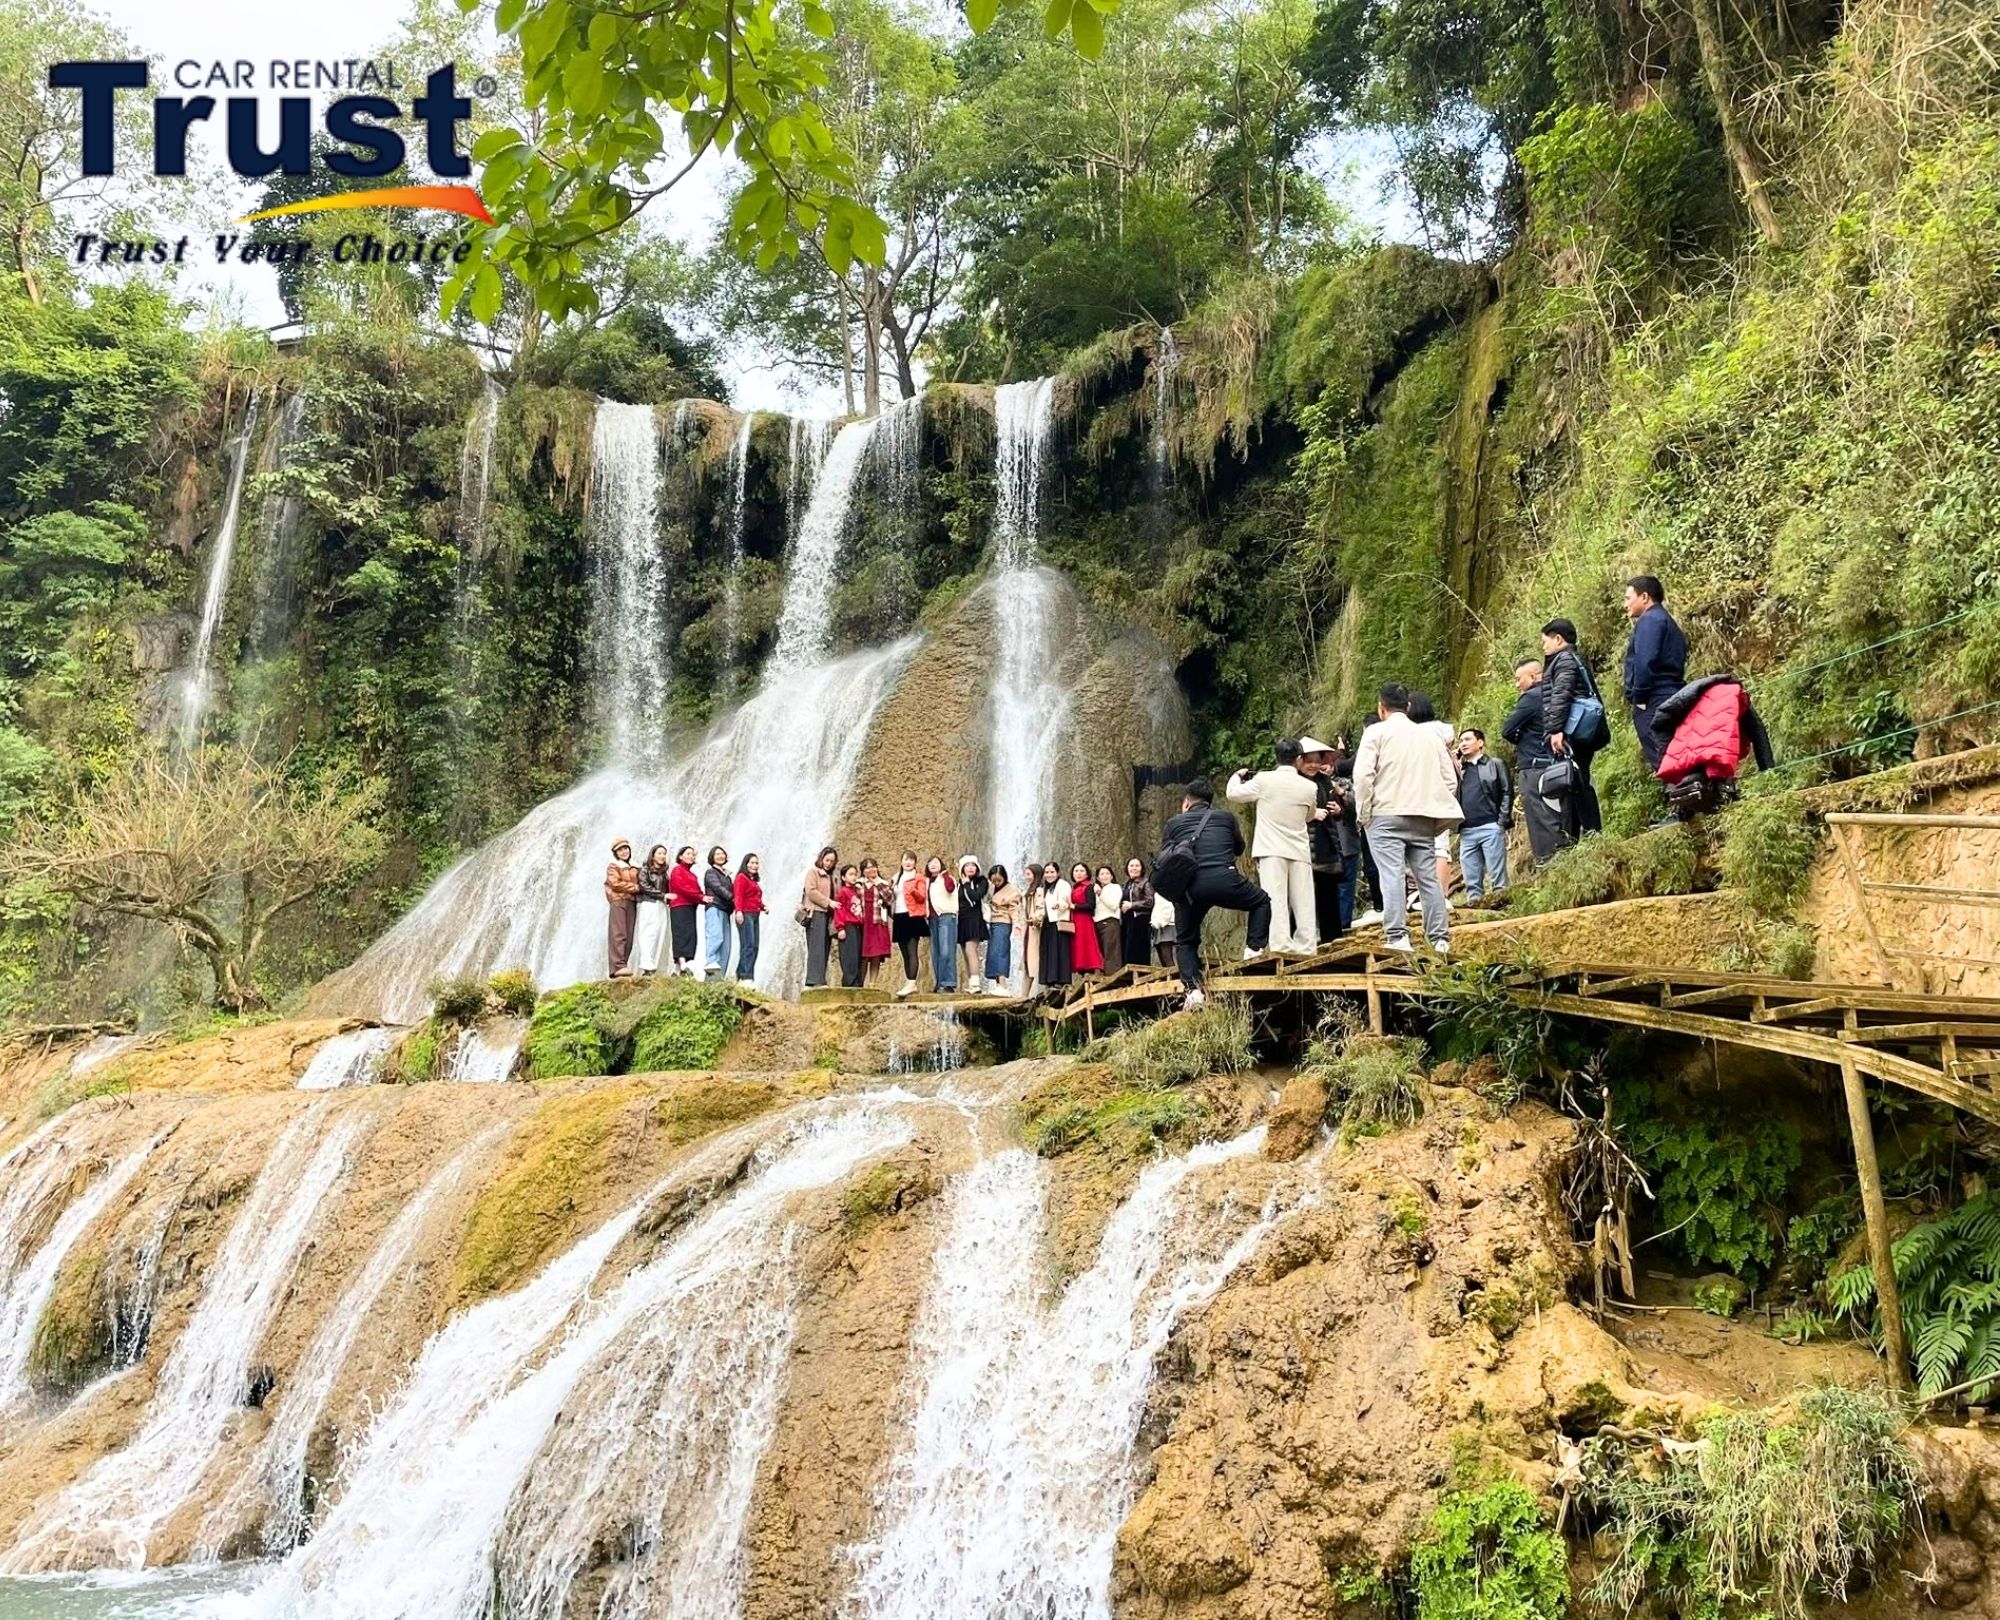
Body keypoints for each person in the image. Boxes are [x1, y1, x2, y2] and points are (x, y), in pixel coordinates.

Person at [1352, 683, 1461, 955]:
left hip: (1385, 814)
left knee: (1391, 875)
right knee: (1427, 877)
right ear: (1408, 706)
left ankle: (1398, 936)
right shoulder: (1429, 737)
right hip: (1422, 817)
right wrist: (1432, 803)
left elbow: (1363, 777)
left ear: (1381, 707)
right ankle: (1439, 939)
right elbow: (1450, 779)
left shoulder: (1375, 732)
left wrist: (1364, 813)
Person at [1163, 777, 1270, 1006]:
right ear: (1210, 802)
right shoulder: (1226, 818)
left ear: (1186, 802)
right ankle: (1253, 950)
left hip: (1189, 888)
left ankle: (1193, 992)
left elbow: (1167, 856)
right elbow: (1239, 848)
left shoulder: (1174, 823)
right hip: (1224, 880)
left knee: (1185, 941)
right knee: (1261, 901)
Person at [1225, 739, 1321, 955]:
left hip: (1271, 849)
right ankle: (1307, 946)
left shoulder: (1264, 780)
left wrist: (1237, 776)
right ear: (1298, 760)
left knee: (1276, 900)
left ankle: (1282, 946)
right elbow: (1309, 815)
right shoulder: (1310, 786)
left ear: (1276, 757)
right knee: (1303, 900)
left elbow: (1233, 794)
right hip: (1299, 849)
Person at [1651, 674, 1775, 818]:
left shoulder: (1687, 702)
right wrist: (1769, 772)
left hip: (1682, 745)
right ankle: (1717, 794)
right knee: (1715, 753)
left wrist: (1672, 776)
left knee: (1698, 762)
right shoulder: (1732, 695)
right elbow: (1757, 732)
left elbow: (1660, 725)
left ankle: (1685, 808)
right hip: (1709, 750)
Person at [1541, 618, 1604, 840]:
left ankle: (1591, 832)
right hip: (1574, 731)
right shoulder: (1569, 659)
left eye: (1545, 641)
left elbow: (1561, 695)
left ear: (1558, 639)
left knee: (1577, 780)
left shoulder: (1564, 660)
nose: (1544, 647)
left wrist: (1556, 730)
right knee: (1571, 782)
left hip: (1572, 731)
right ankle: (1573, 836)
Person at [1501, 658, 1567, 865]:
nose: (1516, 684)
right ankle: (1565, 852)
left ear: (1533, 676)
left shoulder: (1530, 698)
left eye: (1519, 679)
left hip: (1533, 764)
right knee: (1557, 810)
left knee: (1539, 814)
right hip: (1557, 762)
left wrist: (1519, 736)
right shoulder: (1555, 693)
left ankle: (1548, 860)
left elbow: (1508, 729)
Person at [1622, 575, 1688, 771]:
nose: (1625, 603)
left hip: (1654, 697)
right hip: (1672, 691)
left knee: (1663, 754)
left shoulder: (1650, 620)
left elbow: (1645, 660)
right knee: (1675, 748)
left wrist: (1640, 696)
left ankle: (1682, 795)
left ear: (1644, 597)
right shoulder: (1666, 621)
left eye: (1628, 598)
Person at [1455, 728, 1513, 903]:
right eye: (1460, 741)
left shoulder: (1494, 764)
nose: (1463, 743)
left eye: (1467, 739)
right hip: (1466, 831)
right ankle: (1474, 912)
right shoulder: (1458, 770)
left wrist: (1501, 822)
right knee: (1471, 879)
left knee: (1498, 877)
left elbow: (1507, 792)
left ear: (1480, 743)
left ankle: (1503, 908)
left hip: (1490, 826)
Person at [893, 850, 928, 998]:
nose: (908, 862)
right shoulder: (897, 877)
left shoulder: (918, 877)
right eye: (905, 859)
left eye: (911, 860)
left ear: (915, 863)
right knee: (904, 953)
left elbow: (922, 897)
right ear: (901, 861)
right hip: (899, 916)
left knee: (912, 950)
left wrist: (913, 891)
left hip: (913, 916)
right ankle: (908, 982)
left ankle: (912, 982)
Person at [802, 845, 838, 989]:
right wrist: (828, 902)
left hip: (827, 915)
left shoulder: (833, 877)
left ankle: (819, 979)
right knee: (816, 946)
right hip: (815, 912)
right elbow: (810, 891)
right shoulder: (813, 872)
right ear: (821, 858)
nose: (828, 863)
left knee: (824, 946)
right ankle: (814, 980)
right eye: (827, 860)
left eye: (832, 861)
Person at [604, 839, 641, 978]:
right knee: (619, 934)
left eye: (626, 848)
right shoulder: (613, 866)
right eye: (620, 850)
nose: (624, 851)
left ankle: (623, 964)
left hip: (631, 901)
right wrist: (636, 888)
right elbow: (615, 883)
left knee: (629, 934)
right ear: (616, 853)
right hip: (618, 901)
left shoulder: (635, 866)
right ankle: (617, 966)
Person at [632, 844, 670, 976]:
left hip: (661, 905)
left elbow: (669, 889)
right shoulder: (645, 870)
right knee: (648, 933)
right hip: (648, 903)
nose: (662, 856)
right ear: (653, 855)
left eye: (664, 853)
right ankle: (647, 965)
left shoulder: (665, 872)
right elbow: (644, 886)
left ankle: (653, 966)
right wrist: (662, 895)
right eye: (659, 853)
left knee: (660, 934)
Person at [666, 845, 704, 975]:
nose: (691, 856)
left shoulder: (692, 875)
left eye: (693, 854)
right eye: (688, 854)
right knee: (680, 933)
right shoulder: (677, 870)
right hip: (679, 906)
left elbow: (698, 890)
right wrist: (700, 897)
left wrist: (701, 897)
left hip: (690, 907)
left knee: (689, 934)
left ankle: (678, 969)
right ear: (681, 856)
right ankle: (682, 963)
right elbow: (681, 887)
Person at [857, 857, 894, 988]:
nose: (871, 869)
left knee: (876, 955)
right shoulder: (858, 884)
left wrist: (878, 883)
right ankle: (860, 984)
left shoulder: (883, 883)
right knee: (862, 955)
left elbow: (890, 900)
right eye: (867, 867)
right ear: (862, 870)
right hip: (863, 922)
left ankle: (873, 984)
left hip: (877, 922)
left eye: (873, 866)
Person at [1039, 861, 1074, 990]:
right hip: (1048, 921)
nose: (1049, 875)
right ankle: (1050, 979)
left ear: (1058, 873)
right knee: (1049, 951)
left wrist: (1059, 905)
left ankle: (1062, 979)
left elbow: (1066, 901)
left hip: (1059, 920)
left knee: (1060, 950)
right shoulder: (1047, 888)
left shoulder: (1063, 885)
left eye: (1052, 872)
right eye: (1047, 872)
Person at [957, 856, 990, 992]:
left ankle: (976, 984)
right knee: (965, 953)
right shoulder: (958, 883)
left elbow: (976, 896)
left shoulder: (981, 881)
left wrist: (966, 884)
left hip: (974, 918)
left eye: (973, 865)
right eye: (967, 865)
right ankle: (971, 983)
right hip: (962, 920)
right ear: (962, 868)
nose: (970, 867)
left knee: (971, 950)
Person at [926, 856, 959, 992]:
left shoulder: (948, 878)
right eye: (930, 863)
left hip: (946, 916)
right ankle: (939, 982)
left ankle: (949, 982)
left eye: (936, 863)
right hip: (932, 919)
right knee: (936, 952)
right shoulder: (927, 881)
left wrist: (945, 874)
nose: (933, 865)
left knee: (946, 950)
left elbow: (951, 888)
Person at [701, 845, 734, 980]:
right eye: (717, 854)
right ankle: (711, 965)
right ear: (712, 857)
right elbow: (717, 888)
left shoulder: (727, 876)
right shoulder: (710, 873)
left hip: (725, 910)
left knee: (726, 945)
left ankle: (720, 977)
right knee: (716, 936)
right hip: (714, 907)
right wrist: (733, 898)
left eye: (722, 853)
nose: (721, 856)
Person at [986, 864, 1019, 993]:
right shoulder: (990, 888)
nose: (996, 883)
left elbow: (1014, 908)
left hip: (1003, 923)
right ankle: (998, 985)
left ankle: (1003, 985)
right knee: (993, 953)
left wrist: (1016, 924)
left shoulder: (1011, 890)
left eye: (999, 880)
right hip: (992, 923)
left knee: (1000, 952)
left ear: (1005, 877)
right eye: (993, 880)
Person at [732, 853, 765, 981]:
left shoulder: (753, 881)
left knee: (754, 946)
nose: (754, 865)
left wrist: (763, 907)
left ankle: (743, 975)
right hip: (745, 914)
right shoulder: (741, 877)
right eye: (751, 863)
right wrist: (738, 911)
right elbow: (738, 895)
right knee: (748, 945)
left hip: (755, 914)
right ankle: (746, 977)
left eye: (756, 863)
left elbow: (754, 899)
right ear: (745, 864)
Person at [1118, 857, 1154, 971]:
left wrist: (1132, 905)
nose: (1134, 868)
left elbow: (1149, 902)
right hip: (1127, 920)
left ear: (1142, 868)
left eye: (1137, 866)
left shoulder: (1145, 882)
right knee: (1127, 949)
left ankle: (1142, 973)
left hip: (1140, 919)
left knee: (1138, 949)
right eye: (1131, 865)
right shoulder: (1127, 884)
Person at [1069, 863, 1104, 976]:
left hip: (1085, 921)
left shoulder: (1088, 886)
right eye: (1076, 871)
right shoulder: (1075, 887)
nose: (1078, 873)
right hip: (1076, 921)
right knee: (1078, 949)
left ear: (1087, 873)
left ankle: (1091, 972)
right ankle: (1083, 974)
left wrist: (1074, 906)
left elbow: (1091, 905)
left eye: (1082, 871)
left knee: (1086, 947)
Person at [834, 863, 865, 987]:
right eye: (850, 874)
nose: (854, 877)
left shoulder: (855, 891)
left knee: (857, 955)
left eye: (855, 874)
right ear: (843, 877)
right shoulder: (842, 892)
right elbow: (839, 910)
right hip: (848, 926)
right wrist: (840, 927)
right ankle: (849, 982)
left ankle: (856, 981)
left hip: (857, 926)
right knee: (849, 955)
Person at [1093, 863, 1124, 972]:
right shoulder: (1096, 891)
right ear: (1097, 878)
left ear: (1112, 876)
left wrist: (1100, 893)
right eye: (1102, 874)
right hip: (1097, 924)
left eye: (1107, 873)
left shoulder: (1115, 888)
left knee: (1111, 951)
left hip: (1110, 922)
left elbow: (1113, 905)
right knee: (1101, 952)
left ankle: (1113, 977)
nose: (1105, 876)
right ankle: (1104, 975)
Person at [1150, 885, 1178, 966]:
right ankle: (1168, 976)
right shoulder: (1157, 892)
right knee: (1162, 956)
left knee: (1167, 956)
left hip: (1167, 925)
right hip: (1158, 926)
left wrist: (1158, 923)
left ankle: (1174, 976)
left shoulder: (1167, 890)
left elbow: (1167, 908)